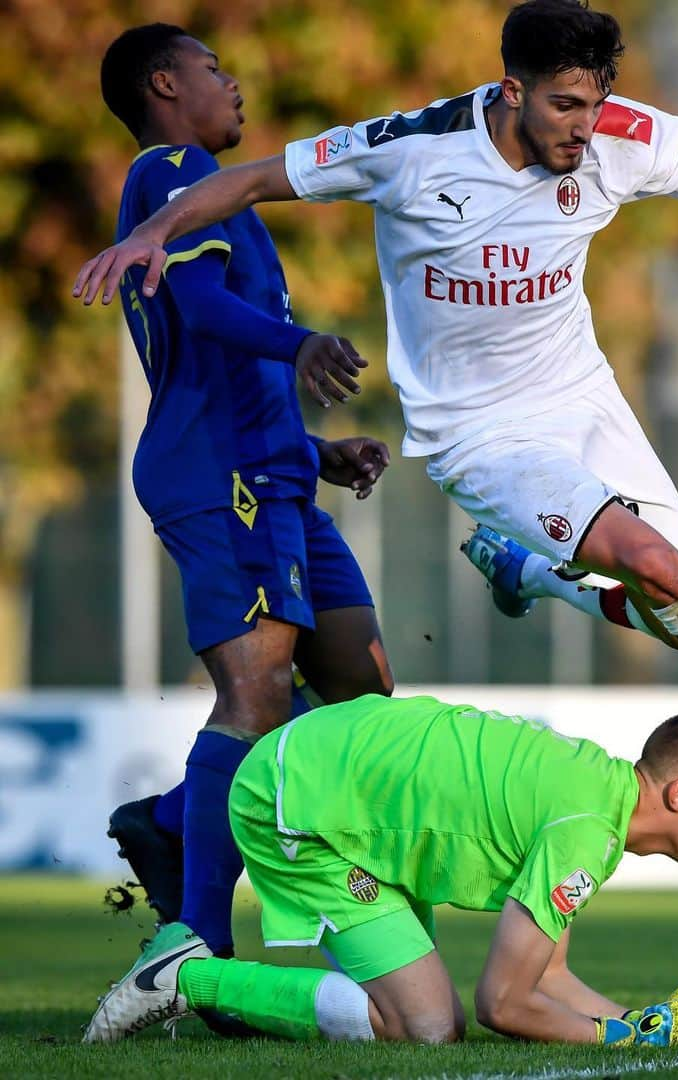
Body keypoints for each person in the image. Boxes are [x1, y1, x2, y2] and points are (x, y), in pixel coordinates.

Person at [74, 2, 678, 762]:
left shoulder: (622, 137)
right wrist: (152, 233)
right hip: (478, 434)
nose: (582, 130)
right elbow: (248, 180)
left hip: (583, 400)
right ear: (509, 90)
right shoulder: (409, 149)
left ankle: (533, 572)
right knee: (661, 569)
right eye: (563, 105)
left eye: (592, 105)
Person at [91, 24, 395, 968]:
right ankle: (197, 947)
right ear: (164, 84)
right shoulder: (170, 170)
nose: (235, 84)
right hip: (220, 477)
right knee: (256, 692)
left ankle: (178, 817)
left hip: (275, 474)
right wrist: (298, 345)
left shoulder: (221, 199)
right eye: (214, 69)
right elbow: (199, 312)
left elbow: (216, 366)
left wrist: (314, 451)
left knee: (362, 691)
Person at [84, 693, 678, 1046]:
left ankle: (187, 969)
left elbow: (545, 975)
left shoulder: (599, 798)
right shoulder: (588, 830)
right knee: (424, 1028)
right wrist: (620, 1040)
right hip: (302, 806)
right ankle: (184, 978)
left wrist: (637, 1022)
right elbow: (504, 1003)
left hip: (333, 782)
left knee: (425, 1016)